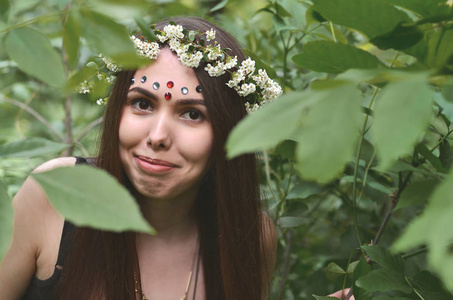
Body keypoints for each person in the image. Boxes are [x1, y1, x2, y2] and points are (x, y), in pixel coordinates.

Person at [0, 16, 352, 300]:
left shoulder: (250, 236)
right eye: (142, 103)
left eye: (192, 114)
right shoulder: (56, 195)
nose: (157, 137)